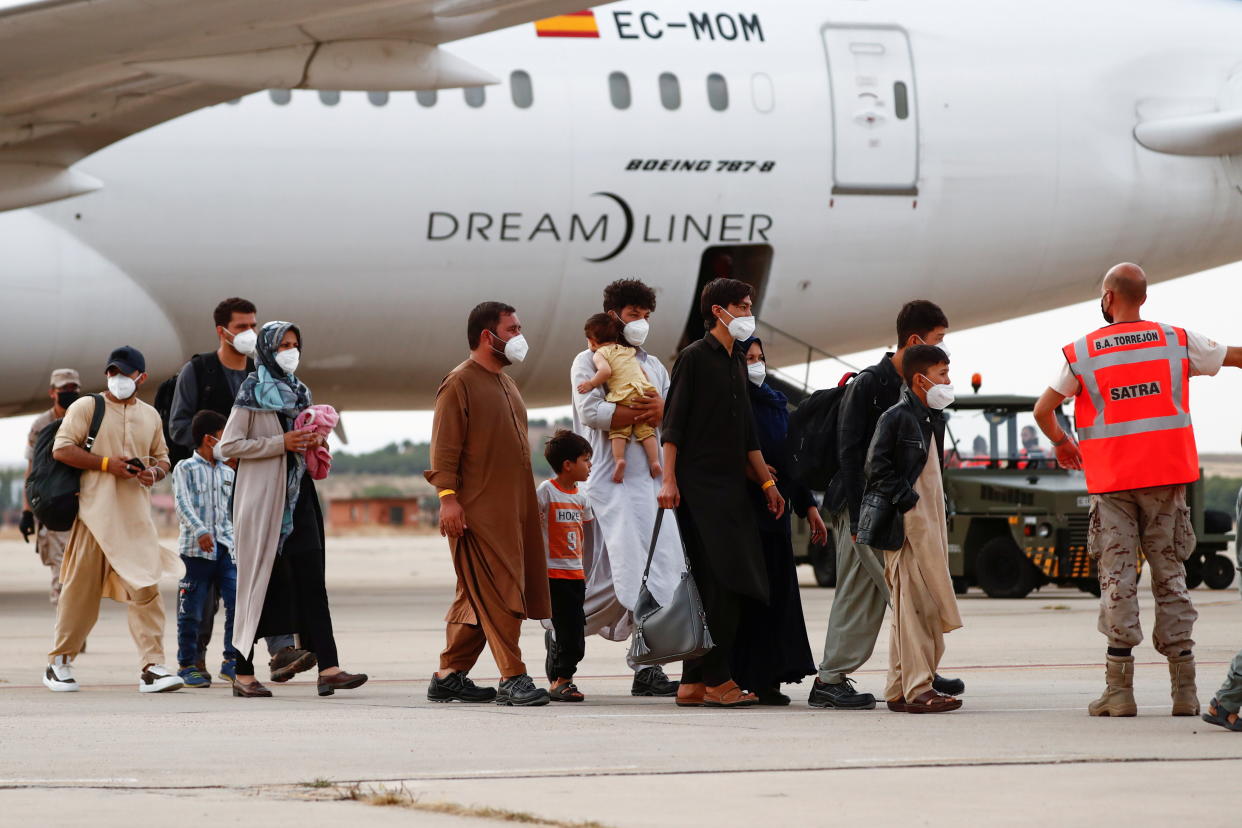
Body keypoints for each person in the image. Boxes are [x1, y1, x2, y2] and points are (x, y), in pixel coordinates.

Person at [1033, 262, 1242, 717]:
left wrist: (1064, 445)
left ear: (1109, 297)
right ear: (1142, 297)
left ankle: (1120, 692)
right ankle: (1184, 692)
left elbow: (1043, 409)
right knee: (1171, 575)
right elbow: (1234, 356)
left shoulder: (1083, 352)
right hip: (1166, 482)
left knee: (1118, 580)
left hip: (1113, 485)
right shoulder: (1176, 340)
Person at [811, 300, 964, 710]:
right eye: (938, 341)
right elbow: (850, 454)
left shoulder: (921, 397)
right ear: (915, 342)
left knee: (904, 591)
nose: (943, 350)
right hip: (867, 507)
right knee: (872, 592)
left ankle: (915, 670)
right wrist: (865, 518)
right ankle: (834, 678)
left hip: (897, 509)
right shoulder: (870, 384)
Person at [221, 321, 367, 698]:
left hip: (299, 496)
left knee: (312, 580)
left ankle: (330, 667)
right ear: (268, 349)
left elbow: (301, 442)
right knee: (258, 582)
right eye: (283, 344)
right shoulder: (251, 392)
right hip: (262, 499)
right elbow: (229, 446)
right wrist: (279, 442)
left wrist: (314, 440)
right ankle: (242, 672)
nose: (290, 350)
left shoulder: (300, 391)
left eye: (294, 344)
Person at [658, 277, 785, 709]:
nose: (750, 312)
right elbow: (672, 426)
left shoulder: (734, 360)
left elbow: (748, 433)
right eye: (743, 305)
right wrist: (669, 481)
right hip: (699, 488)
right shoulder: (694, 358)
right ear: (719, 310)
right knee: (722, 584)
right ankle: (717, 680)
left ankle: (692, 683)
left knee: (721, 584)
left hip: (731, 489)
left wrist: (766, 482)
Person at [169, 297, 307, 686]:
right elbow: (179, 426)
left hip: (260, 482)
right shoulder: (199, 372)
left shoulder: (261, 374)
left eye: (254, 325)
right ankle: (195, 661)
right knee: (207, 591)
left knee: (256, 573)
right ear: (222, 331)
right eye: (242, 326)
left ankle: (267, 654)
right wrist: (217, 447)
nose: (250, 333)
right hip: (216, 484)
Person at [425, 301, 552, 707]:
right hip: (477, 512)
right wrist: (448, 500)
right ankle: (513, 677)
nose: (520, 337)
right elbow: (444, 449)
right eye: (512, 330)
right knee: (501, 594)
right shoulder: (460, 381)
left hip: (512, 511)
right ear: (487, 335)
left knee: (478, 595)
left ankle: (449, 674)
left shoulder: (506, 383)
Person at [43, 346, 184, 693]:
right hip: (94, 517)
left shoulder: (150, 415)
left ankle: (152, 667)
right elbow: (62, 448)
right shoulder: (87, 406)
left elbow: (164, 457)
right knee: (79, 594)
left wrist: (154, 471)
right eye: (112, 372)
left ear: (141, 377)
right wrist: (108, 464)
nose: (117, 379)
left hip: (135, 521)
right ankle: (59, 661)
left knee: (146, 589)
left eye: (124, 373)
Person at [569, 278, 680, 698]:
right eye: (635, 316)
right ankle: (564, 637)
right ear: (614, 315)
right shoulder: (587, 361)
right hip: (610, 484)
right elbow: (593, 411)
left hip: (652, 484)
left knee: (661, 576)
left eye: (647, 317)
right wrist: (644, 409)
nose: (641, 324)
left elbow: (671, 417)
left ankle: (649, 667)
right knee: (616, 581)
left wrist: (661, 410)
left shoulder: (654, 366)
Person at [858, 345, 964, 713]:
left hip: (929, 526)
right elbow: (876, 466)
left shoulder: (932, 418)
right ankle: (920, 689)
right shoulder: (897, 417)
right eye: (942, 374)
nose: (948, 382)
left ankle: (899, 688)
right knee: (918, 608)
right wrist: (908, 501)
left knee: (912, 609)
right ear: (921, 380)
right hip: (907, 529)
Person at [729, 338, 823, 704]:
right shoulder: (733, 402)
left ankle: (769, 679)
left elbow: (790, 459)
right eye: (748, 358)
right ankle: (740, 678)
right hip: (743, 512)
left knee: (776, 598)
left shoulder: (774, 402)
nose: (756, 364)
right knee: (748, 598)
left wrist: (809, 506)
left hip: (778, 513)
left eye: (760, 358)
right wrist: (752, 472)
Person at [172, 410, 241, 688]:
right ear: (209, 439)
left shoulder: (228, 472)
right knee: (191, 611)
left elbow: (232, 510)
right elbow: (182, 504)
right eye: (224, 435)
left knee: (236, 605)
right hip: (195, 552)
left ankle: (231, 660)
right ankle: (187, 664)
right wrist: (200, 530)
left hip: (225, 549)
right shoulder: (184, 468)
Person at [537, 430, 595, 702]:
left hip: (575, 574)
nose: (590, 465)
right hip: (553, 574)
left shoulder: (582, 496)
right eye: (585, 460)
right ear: (567, 465)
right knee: (570, 630)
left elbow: (585, 532)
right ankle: (562, 680)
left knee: (575, 629)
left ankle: (560, 666)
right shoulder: (546, 491)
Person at [576, 313, 662, 483]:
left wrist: (591, 384)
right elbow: (641, 372)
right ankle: (654, 461)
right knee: (646, 432)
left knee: (619, 432)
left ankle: (619, 460)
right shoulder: (628, 351)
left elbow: (605, 372)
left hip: (623, 394)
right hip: (643, 390)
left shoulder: (599, 354)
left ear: (592, 341)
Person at [21, 368, 82, 605]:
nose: (69, 393)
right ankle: (70, 634)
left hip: (81, 504)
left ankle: (73, 632)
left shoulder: (86, 418)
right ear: (52, 393)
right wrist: (27, 511)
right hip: (54, 507)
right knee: (62, 574)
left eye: (73, 389)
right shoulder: (41, 425)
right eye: (64, 389)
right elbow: (32, 470)